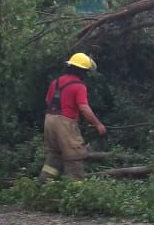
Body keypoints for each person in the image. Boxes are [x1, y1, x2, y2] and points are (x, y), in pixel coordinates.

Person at [39, 52, 106, 182]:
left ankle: (45, 184)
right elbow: (84, 108)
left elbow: (48, 101)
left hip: (49, 120)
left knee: (55, 154)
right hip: (64, 123)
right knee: (74, 156)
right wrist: (98, 124)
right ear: (82, 71)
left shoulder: (56, 82)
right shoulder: (79, 86)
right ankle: (76, 190)